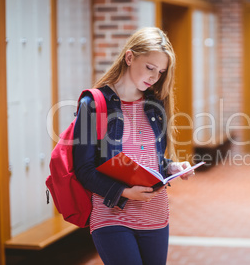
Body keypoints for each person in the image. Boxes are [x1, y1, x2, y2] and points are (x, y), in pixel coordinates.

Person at [72, 27, 194, 265]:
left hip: (155, 215)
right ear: (129, 57)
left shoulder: (155, 105)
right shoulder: (93, 104)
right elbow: (84, 169)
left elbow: (151, 160)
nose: (154, 77)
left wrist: (173, 167)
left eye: (160, 72)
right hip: (112, 215)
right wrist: (126, 192)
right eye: (150, 67)